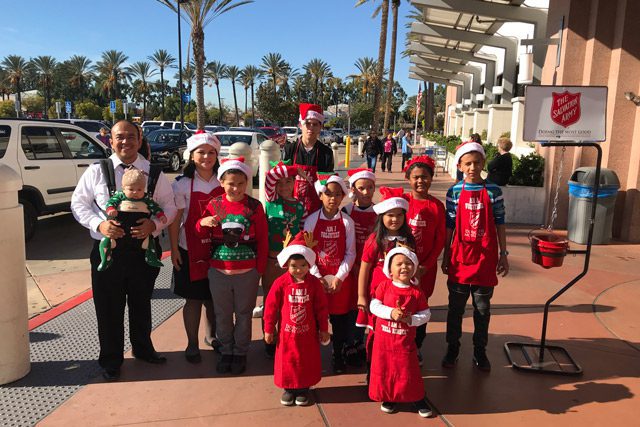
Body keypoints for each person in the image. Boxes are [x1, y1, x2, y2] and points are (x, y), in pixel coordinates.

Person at [70, 119, 177, 381]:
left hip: (142, 251)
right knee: (108, 307)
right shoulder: (97, 170)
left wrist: (154, 224)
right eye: (120, 137)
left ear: (140, 140)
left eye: (131, 136)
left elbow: (170, 206)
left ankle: (143, 349)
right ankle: (111, 359)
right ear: (111, 140)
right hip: (108, 252)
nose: (125, 142)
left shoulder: (153, 172)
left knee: (141, 303)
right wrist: (100, 224)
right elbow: (78, 203)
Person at [441, 141, 509, 372]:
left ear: (483, 163)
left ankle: (480, 352)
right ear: (459, 165)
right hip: (460, 259)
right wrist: (446, 252)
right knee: (455, 308)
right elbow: (450, 224)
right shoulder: (454, 191)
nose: (472, 167)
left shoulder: (494, 191)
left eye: (477, 162)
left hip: (485, 259)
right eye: (468, 163)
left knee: (482, 309)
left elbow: (500, 222)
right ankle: (453, 348)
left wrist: (504, 253)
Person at [196, 157, 268, 375]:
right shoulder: (214, 205)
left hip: (247, 272)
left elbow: (263, 238)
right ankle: (226, 350)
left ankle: (240, 352)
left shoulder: (254, 207)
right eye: (230, 183)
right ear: (222, 183)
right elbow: (200, 230)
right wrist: (202, 223)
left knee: (244, 314)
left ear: (246, 183)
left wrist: (260, 269)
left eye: (240, 183)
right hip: (219, 271)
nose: (235, 188)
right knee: (222, 314)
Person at [169, 130, 224, 363]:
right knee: (193, 300)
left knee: (214, 298)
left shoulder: (224, 180)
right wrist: (173, 250)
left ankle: (212, 337)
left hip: (220, 248)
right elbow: (174, 221)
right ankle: (192, 343)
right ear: (191, 155)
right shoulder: (182, 185)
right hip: (188, 248)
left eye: (211, 152)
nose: (206, 157)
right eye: (201, 152)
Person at [263, 231, 330, 407]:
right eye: (294, 265)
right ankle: (289, 388)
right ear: (287, 265)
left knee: (305, 360)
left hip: (308, 334)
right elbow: (271, 307)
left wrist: (324, 328)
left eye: (302, 265)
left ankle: (303, 388)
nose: (298, 269)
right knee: (288, 360)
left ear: (309, 265)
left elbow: (321, 308)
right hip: (287, 334)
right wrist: (269, 329)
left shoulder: (315, 283)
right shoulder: (280, 283)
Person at [357, 187, 415, 380]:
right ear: (381, 215)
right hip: (378, 297)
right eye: (390, 215)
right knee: (376, 334)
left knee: (397, 333)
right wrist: (362, 296)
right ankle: (372, 370)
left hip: (401, 295)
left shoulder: (408, 240)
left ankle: (395, 370)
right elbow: (364, 268)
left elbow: (414, 268)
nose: (395, 219)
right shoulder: (375, 240)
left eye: (399, 215)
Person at [368, 247, 432, 418]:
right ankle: (389, 397)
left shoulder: (417, 293)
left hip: (404, 343)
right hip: (384, 343)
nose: (404, 267)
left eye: (408, 264)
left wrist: (412, 320)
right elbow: (374, 305)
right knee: (386, 371)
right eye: (399, 264)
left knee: (407, 371)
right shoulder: (384, 286)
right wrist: (390, 313)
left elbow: (426, 314)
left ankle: (417, 398)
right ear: (390, 269)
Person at [303, 174, 356, 374]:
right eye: (328, 194)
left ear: (343, 196)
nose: (332, 198)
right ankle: (313, 355)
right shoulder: (310, 221)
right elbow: (309, 253)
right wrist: (317, 277)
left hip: (340, 282)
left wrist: (339, 277)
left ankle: (338, 353)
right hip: (317, 280)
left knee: (339, 321)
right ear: (320, 195)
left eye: (337, 194)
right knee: (316, 319)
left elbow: (350, 253)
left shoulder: (347, 223)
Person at [254, 160, 305, 359]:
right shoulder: (271, 200)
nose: (284, 186)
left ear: (294, 183)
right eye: (280, 182)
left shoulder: (300, 206)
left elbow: (301, 231)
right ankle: (269, 338)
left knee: (289, 301)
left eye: (289, 182)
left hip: (291, 263)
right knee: (269, 299)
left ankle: (286, 336)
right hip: (271, 260)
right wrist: (294, 168)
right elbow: (270, 178)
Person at [402, 155, 446, 364]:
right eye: (416, 177)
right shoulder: (402, 202)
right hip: (400, 268)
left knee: (420, 306)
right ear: (408, 179)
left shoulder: (436, 206)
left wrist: (426, 266)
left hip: (425, 270)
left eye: (425, 177)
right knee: (400, 303)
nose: (421, 181)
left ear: (431, 178)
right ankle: (401, 343)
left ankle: (417, 345)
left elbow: (440, 240)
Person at [341, 167, 377, 365]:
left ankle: (362, 340)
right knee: (350, 305)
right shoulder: (346, 211)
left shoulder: (379, 212)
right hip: (350, 268)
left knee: (367, 304)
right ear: (353, 189)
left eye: (369, 188)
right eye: (361, 188)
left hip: (371, 269)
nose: (365, 192)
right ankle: (349, 341)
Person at [98, 168, 166, 271]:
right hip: (119, 231)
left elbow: (154, 207)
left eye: (139, 190)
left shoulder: (146, 198)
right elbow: (110, 203)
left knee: (149, 242)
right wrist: (110, 209)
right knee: (107, 241)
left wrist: (160, 215)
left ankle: (151, 257)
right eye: (131, 189)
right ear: (123, 188)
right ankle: (105, 259)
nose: (135, 192)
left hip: (140, 231)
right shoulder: (120, 196)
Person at [283, 103, 334, 222]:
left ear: (320, 127)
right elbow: (282, 179)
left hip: (315, 210)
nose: (311, 127)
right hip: (290, 208)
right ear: (301, 125)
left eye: (315, 124)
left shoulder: (326, 153)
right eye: (307, 123)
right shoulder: (289, 149)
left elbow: (328, 184)